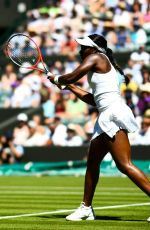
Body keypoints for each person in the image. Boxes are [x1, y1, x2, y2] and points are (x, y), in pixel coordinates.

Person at [48, 34, 150, 221]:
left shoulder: (97, 57)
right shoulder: (99, 63)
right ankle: (86, 208)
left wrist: (57, 78)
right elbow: (93, 100)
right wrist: (69, 86)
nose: (81, 50)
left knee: (124, 165)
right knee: (92, 163)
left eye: (84, 47)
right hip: (105, 116)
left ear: (94, 49)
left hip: (113, 115)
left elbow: (72, 75)